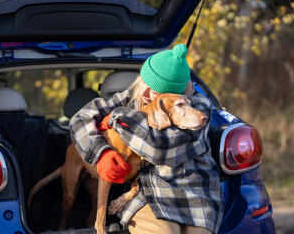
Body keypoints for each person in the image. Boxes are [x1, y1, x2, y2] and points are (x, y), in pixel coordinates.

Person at [69, 43, 224, 234]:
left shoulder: (198, 108)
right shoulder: (135, 97)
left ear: (172, 96)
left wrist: (118, 118)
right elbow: (79, 119)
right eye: (144, 82)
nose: (143, 94)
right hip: (149, 194)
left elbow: (159, 148)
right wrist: (100, 153)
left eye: (154, 91)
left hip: (195, 194)